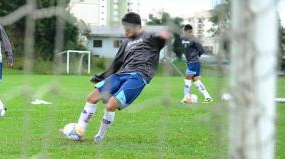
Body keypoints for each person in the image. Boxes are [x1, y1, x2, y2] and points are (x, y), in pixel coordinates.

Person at [63, 12, 170, 143]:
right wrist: (101, 77)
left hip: (138, 76)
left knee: (110, 105)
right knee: (91, 97)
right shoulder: (126, 43)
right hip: (120, 75)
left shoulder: (150, 37)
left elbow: (162, 39)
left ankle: (99, 137)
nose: (125, 31)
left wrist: (165, 36)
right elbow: (117, 63)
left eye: (128, 29)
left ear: (137, 26)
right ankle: (79, 131)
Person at [181, 24, 213, 103]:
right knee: (195, 80)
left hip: (194, 62)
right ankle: (208, 97)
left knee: (187, 78)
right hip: (190, 62)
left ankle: (186, 98)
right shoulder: (183, 39)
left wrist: (195, 57)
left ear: (188, 31)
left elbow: (201, 50)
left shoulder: (194, 39)